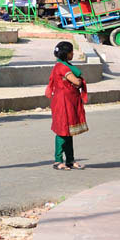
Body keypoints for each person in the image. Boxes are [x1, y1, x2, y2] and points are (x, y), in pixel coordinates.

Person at [46, 41, 88, 169]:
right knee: (62, 130)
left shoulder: (64, 65)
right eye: (71, 52)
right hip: (63, 102)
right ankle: (58, 161)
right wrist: (79, 81)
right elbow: (76, 81)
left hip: (69, 101)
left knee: (68, 131)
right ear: (66, 54)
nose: (73, 54)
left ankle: (70, 160)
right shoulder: (62, 67)